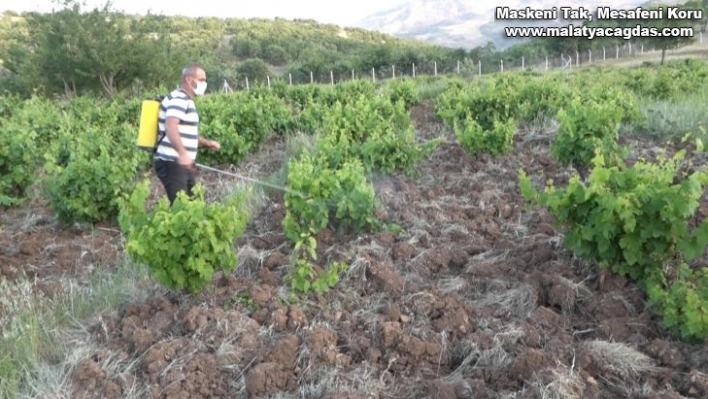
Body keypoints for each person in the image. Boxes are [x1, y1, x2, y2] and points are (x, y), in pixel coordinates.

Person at [154, 63, 220, 205]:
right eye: (202, 79)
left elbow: (184, 133)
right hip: (172, 162)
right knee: (181, 209)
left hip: (181, 163)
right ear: (189, 80)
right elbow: (171, 126)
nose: (205, 83)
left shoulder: (185, 100)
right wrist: (183, 154)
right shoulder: (179, 99)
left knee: (193, 205)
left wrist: (207, 143)